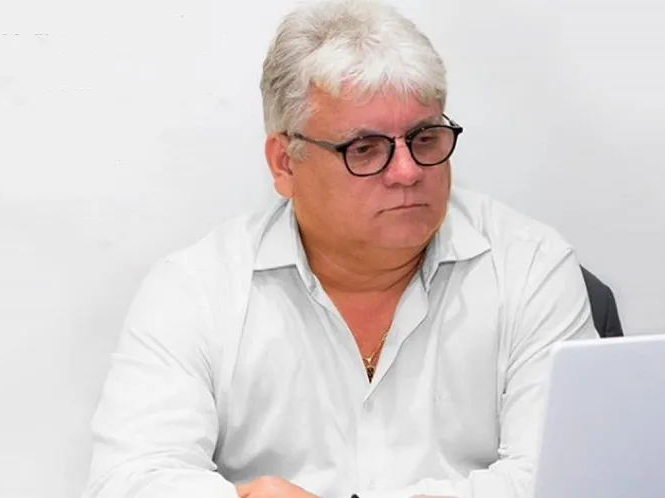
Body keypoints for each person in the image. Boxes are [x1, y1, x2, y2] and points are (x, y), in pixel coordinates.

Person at [83, 1, 598, 497]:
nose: (407, 172)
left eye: (424, 138)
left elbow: (570, 479)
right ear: (285, 163)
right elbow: (128, 480)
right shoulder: (197, 291)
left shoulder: (529, 267)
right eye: (365, 149)